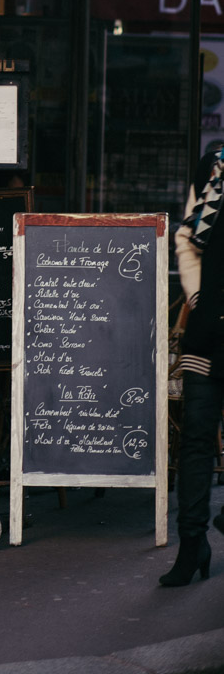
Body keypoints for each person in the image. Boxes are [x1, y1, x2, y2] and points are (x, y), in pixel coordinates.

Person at [160, 140, 224, 587]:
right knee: (197, 440)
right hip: (211, 329)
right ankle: (191, 544)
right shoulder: (215, 166)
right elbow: (187, 237)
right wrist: (198, 298)